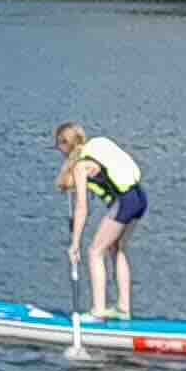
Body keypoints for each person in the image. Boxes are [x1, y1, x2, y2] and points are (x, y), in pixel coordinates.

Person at [54, 124, 148, 321]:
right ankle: (123, 308)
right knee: (116, 249)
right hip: (140, 198)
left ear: (65, 145)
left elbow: (82, 208)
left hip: (125, 202)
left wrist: (75, 244)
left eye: (58, 146)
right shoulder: (98, 145)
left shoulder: (81, 166)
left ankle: (98, 311)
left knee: (94, 252)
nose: (58, 150)